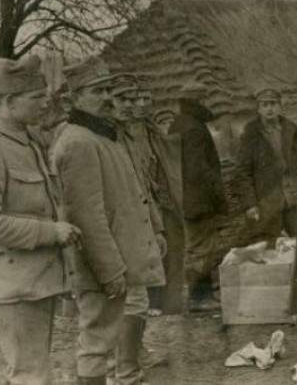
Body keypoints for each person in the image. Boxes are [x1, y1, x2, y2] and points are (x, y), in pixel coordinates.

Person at [0, 55, 82, 385]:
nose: (46, 103)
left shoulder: (27, 142)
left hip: (38, 281)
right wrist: (49, 232)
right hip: (15, 288)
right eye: (36, 97)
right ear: (10, 101)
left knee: (34, 372)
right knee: (31, 376)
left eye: (45, 95)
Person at [52, 57, 165, 385]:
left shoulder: (102, 136)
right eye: (96, 90)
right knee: (96, 343)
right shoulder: (78, 142)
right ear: (74, 99)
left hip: (116, 258)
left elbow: (132, 195)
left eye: (107, 89)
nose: (106, 96)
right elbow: (85, 216)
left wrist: (151, 231)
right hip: (102, 265)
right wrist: (109, 269)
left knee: (101, 340)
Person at [108, 72, 168, 383]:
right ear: (110, 101)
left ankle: (132, 353)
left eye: (134, 99)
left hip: (140, 220)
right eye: (122, 99)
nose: (131, 105)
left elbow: (147, 185)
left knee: (139, 293)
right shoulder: (106, 137)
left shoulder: (136, 133)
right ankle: (122, 366)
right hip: (116, 226)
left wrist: (156, 228)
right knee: (126, 297)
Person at [168, 82, 227, 313]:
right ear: (198, 101)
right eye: (205, 99)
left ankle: (200, 294)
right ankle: (198, 297)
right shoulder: (194, 128)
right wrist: (216, 188)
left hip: (186, 197)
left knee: (197, 247)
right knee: (202, 248)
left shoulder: (179, 124)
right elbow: (198, 169)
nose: (208, 103)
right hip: (198, 200)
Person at [236, 87, 297, 244]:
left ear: (280, 106)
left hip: (293, 198)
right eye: (265, 104)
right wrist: (250, 204)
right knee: (267, 247)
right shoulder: (251, 133)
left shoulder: (291, 129)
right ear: (259, 108)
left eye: (273, 104)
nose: (270, 109)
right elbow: (243, 173)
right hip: (266, 202)